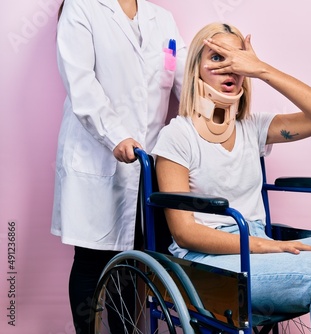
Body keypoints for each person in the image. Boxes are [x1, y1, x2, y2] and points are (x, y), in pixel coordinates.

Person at [152, 22, 311, 333]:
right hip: (208, 261)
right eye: (218, 58)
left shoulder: (253, 128)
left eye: (237, 58)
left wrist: (261, 69)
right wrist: (265, 246)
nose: (230, 67)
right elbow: (184, 233)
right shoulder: (178, 136)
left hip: (258, 244)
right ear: (196, 69)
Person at [51, 0, 186, 333]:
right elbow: (81, 85)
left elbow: (187, 80)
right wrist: (116, 136)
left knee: (133, 262)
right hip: (97, 155)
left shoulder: (163, 19)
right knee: (92, 261)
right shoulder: (82, 8)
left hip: (149, 166)